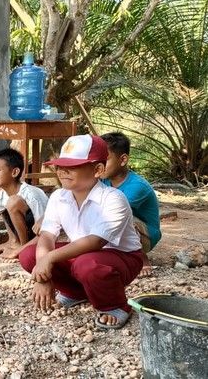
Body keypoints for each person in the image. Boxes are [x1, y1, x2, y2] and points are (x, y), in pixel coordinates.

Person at [18, 134, 144, 330]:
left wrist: (49, 259)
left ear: (98, 169)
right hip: (83, 254)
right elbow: (47, 236)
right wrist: (44, 276)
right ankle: (75, 292)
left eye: (73, 166)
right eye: (60, 165)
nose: (62, 171)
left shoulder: (113, 198)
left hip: (122, 257)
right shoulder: (59, 196)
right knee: (28, 255)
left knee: (87, 264)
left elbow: (95, 242)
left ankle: (115, 306)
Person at [100, 132, 161, 277]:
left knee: (119, 214)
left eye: (105, 160)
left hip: (145, 234)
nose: (99, 165)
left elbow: (111, 212)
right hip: (117, 229)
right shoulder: (104, 180)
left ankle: (141, 257)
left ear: (123, 160)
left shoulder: (137, 186)